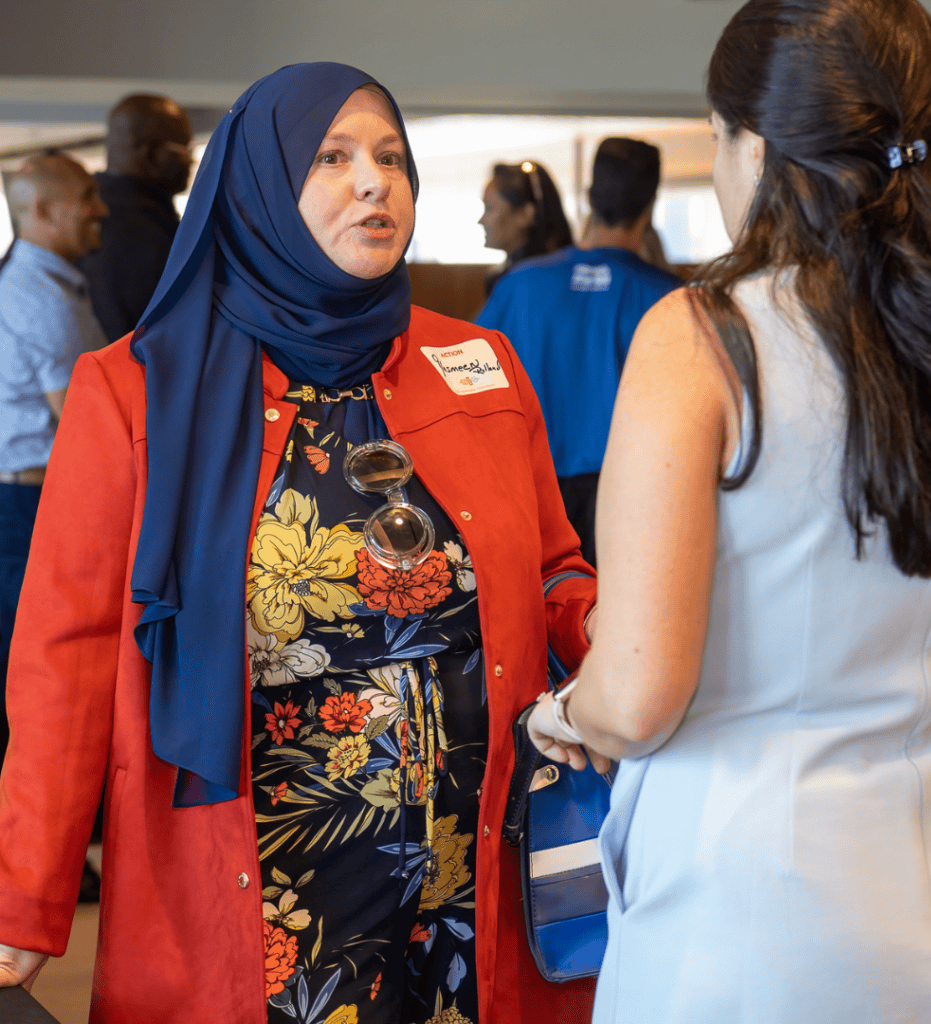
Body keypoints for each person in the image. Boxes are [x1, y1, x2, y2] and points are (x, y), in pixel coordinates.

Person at [0, 63, 596, 1024]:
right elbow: (63, 661)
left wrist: (611, 629)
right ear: (259, 189)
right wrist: (24, 895)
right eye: (333, 157)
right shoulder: (138, 392)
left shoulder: (479, 363)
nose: (375, 181)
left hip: (471, 872)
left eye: (392, 157)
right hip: (270, 882)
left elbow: (554, 568)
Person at [527, 1, 931, 1021]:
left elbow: (639, 694)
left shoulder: (705, 336)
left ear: (753, 147)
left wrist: (560, 713)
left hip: (753, 907)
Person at [477, 139, 679, 565]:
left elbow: (468, 386)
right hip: (632, 497)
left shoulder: (520, 286)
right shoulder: (672, 300)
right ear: (650, 204)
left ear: (589, 198)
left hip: (531, 489)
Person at [0, 151, 107, 765]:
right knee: (43, 679)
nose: (102, 209)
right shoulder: (40, 296)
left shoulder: (54, 282)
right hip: (28, 503)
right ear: (41, 210)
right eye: (87, 196)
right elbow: (83, 430)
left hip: (31, 496)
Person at [77, 94, 193, 343]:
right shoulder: (149, 236)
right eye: (184, 148)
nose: (191, 159)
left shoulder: (83, 224)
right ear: (151, 154)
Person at [478, 160, 572, 297]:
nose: (481, 221)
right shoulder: (565, 271)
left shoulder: (525, 282)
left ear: (525, 214)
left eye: (489, 208)